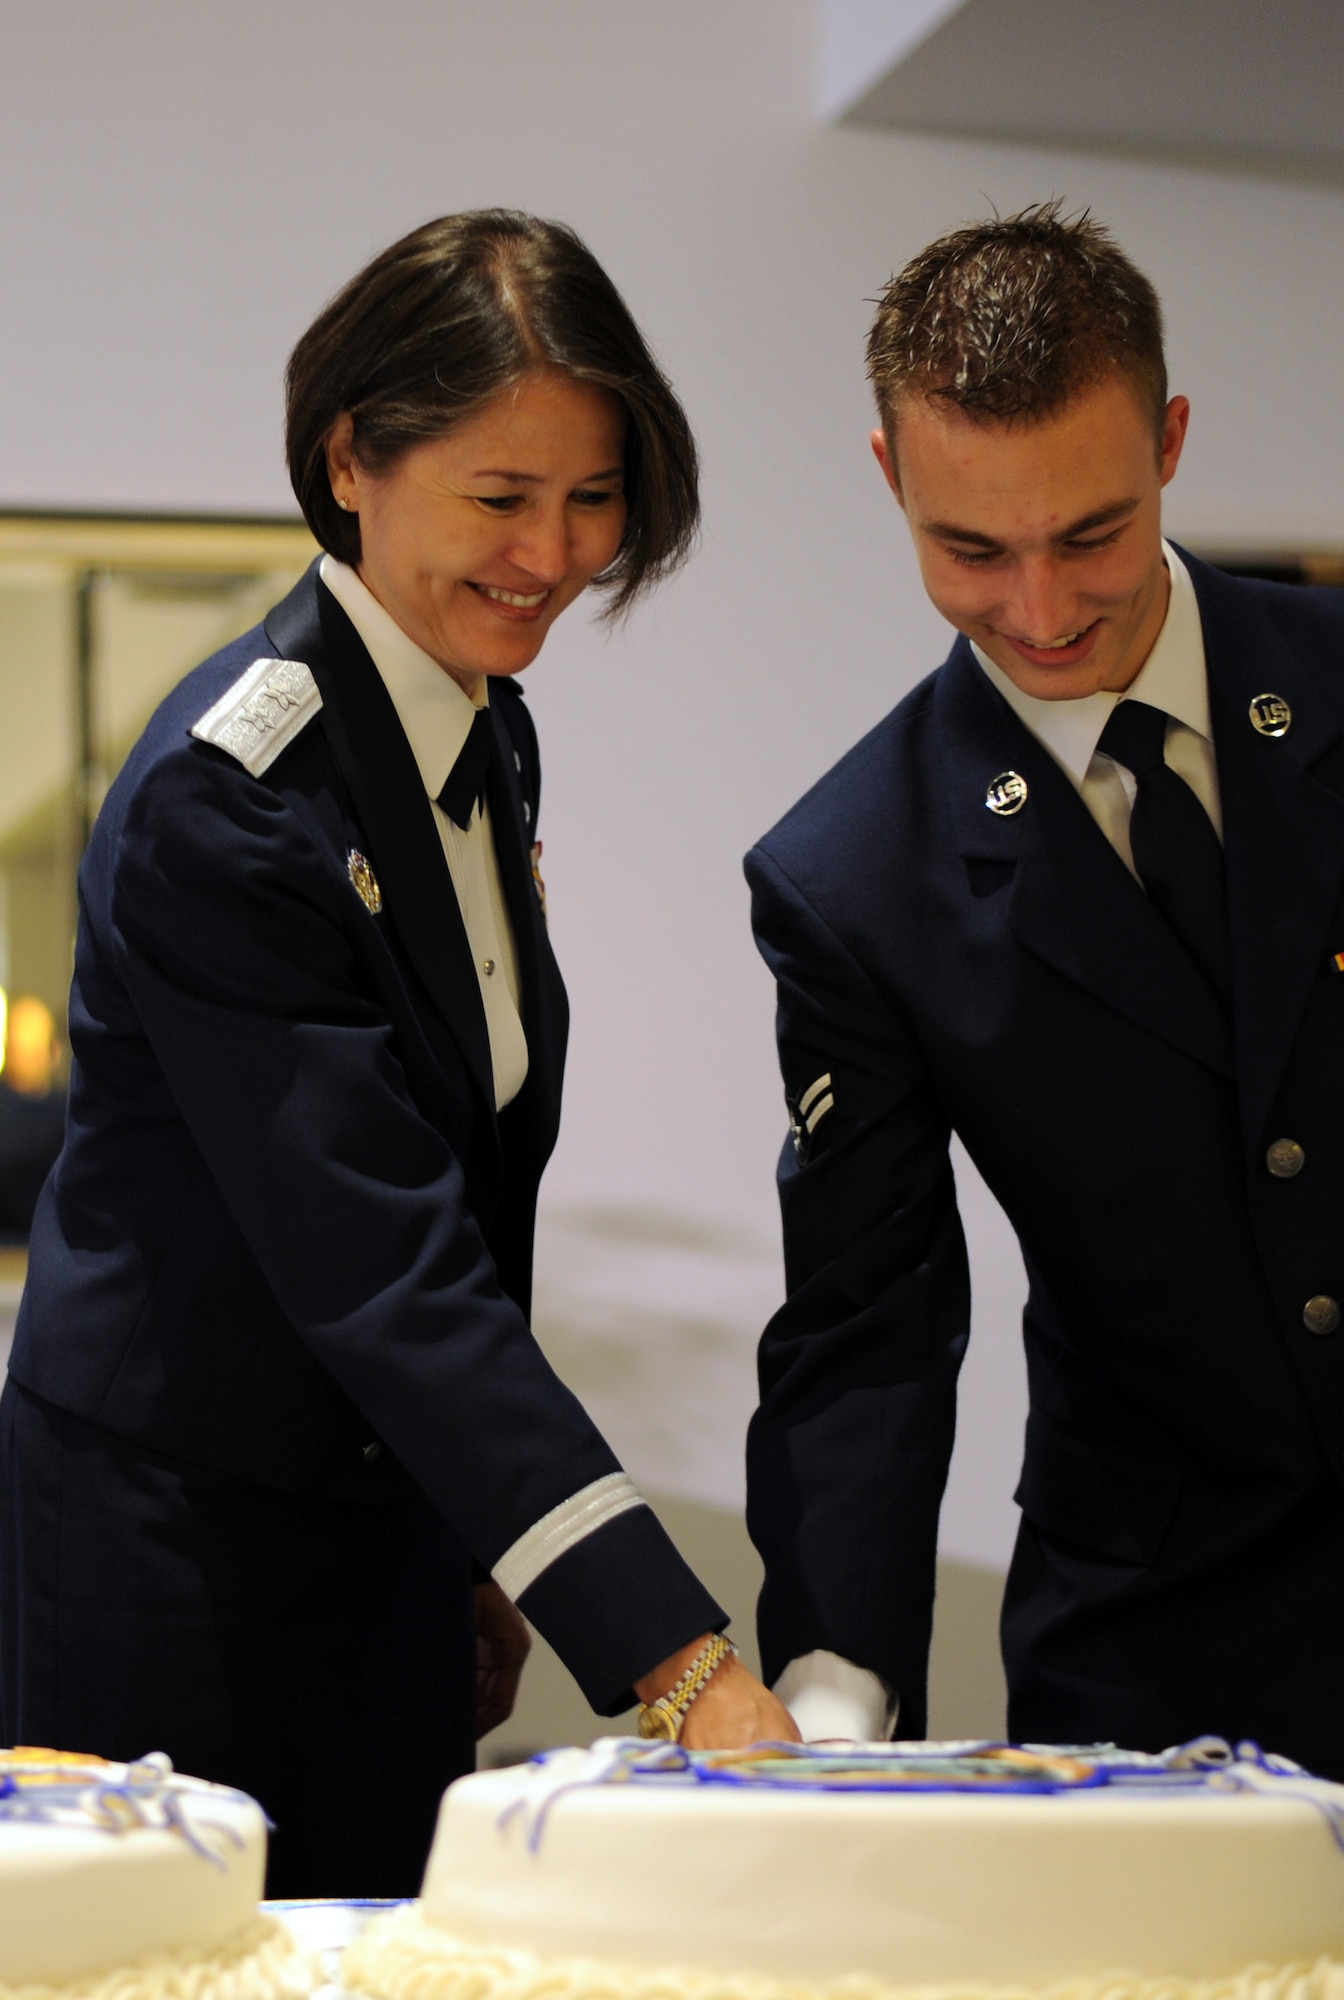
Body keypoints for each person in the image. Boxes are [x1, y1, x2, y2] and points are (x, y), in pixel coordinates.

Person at [743, 205, 1344, 1894]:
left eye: (1092, 533)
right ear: (888, 474)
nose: (1039, 608)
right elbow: (868, 1325)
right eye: (971, 549)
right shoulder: (846, 877)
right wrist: (831, 1691)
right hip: (1162, 1649)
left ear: (1170, 441)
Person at [0, 209, 794, 1896]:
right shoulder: (232, 800)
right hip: (178, 1548)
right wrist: (677, 1657)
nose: (553, 553)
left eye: (593, 501)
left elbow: (464, 1189)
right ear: (352, 458)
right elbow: (380, 1263)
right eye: (500, 499)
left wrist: (485, 1551)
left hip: (379, 1523)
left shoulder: (480, 729)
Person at [0, 996, 66, 1244]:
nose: (27, 1054)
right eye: (19, 1046)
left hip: (50, 1246)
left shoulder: (67, 1114)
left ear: (53, 1051)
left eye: (34, 1047)